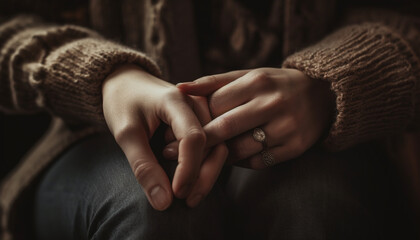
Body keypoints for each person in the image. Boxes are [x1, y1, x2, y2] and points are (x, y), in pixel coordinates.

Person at [0, 0, 419, 239]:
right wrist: (104, 77)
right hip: (92, 134)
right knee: (151, 211)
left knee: (312, 205)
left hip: (327, 134)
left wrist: (331, 85)